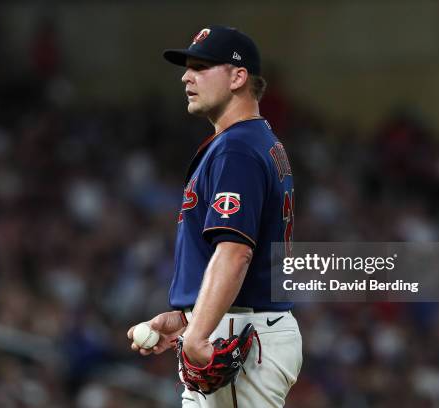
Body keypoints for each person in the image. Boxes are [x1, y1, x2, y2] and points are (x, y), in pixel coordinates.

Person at [127, 25, 302, 407]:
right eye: (188, 67)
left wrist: (197, 333)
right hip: (240, 325)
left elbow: (235, 253)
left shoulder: (237, 149)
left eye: (202, 66)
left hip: (242, 333)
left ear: (239, 76)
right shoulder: (253, 140)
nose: (186, 76)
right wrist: (190, 319)